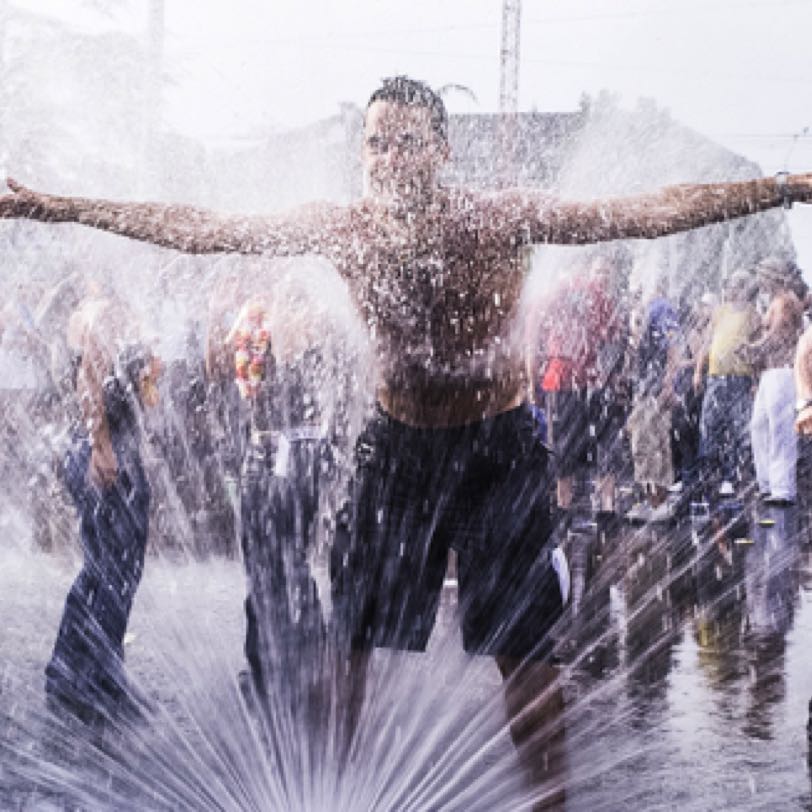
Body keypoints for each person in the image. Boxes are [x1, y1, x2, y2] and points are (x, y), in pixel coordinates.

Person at [3, 75, 812, 801]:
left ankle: (550, 801)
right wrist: (56, 204)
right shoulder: (346, 228)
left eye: (405, 140)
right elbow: (201, 227)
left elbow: (646, 208)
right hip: (396, 451)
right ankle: (328, 793)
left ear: (441, 149)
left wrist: (779, 187)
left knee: (523, 650)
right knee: (349, 638)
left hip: (497, 450)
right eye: (374, 142)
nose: (386, 156)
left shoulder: (499, 217)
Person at [44, 283, 161, 729]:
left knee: (103, 569)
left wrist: (149, 373)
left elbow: (137, 393)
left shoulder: (95, 312)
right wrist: (103, 447)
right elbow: (87, 381)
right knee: (117, 572)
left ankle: (72, 673)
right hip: (103, 456)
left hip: (103, 450)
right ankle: (97, 680)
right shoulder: (104, 315)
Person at [694, 269, 761, 499]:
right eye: (728, 285)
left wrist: (755, 380)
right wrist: (697, 371)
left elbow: (757, 348)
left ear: (743, 288)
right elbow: (707, 342)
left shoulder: (753, 314)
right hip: (715, 377)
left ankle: (729, 477)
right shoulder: (720, 312)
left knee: (735, 429)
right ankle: (708, 474)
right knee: (708, 426)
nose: (729, 290)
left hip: (738, 378)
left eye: (734, 285)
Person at [747, 258, 805, 505]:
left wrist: (751, 349)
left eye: (761, 275)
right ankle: (767, 483)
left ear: (772, 276)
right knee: (759, 427)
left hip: (783, 373)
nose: (758, 280)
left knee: (780, 430)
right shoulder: (774, 302)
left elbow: (775, 336)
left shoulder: (786, 301)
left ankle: (783, 489)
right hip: (769, 374)